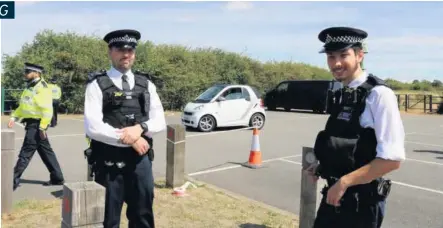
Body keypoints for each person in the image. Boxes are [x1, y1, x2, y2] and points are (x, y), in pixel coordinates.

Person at [306, 27, 405, 228]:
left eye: (344, 55)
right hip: (334, 196)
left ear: (360, 55)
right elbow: (348, 146)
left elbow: (391, 160)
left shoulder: (379, 95)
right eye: (331, 56)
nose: (336, 63)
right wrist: (324, 166)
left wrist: (344, 182)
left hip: (361, 205)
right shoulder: (345, 93)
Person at [83, 29, 166, 228]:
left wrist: (141, 128)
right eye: (120, 49)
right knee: (109, 219)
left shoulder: (146, 84)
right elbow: (93, 127)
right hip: (109, 163)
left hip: (140, 163)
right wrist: (132, 138)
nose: (126, 54)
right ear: (110, 51)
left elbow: (160, 120)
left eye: (130, 49)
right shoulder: (96, 85)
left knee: (143, 217)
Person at [8, 62, 65, 190]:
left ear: (37, 73)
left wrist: (42, 127)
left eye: (28, 72)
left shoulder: (42, 88)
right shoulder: (29, 87)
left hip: (37, 125)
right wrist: (14, 117)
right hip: (31, 123)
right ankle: (57, 178)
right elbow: (24, 106)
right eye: (25, 72)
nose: (25, 74)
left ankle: (11, 182)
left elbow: (47, 109)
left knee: (25, 153)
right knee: (46, 152)